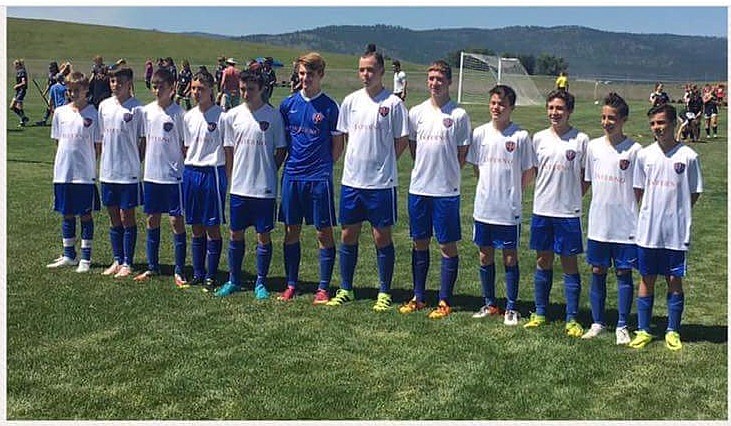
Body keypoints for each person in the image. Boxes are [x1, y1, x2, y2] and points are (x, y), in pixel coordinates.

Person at [327, 45, 409, 310]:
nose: (365, 74)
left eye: (370, 70)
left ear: (381, 71)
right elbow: (343, 136)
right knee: (347, 235)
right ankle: (346, 288)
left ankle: (384, 292)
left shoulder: (393, 103)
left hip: (381, 184)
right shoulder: (350, 101)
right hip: (352, 181)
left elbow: (401, 140)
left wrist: (384, 164)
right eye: (362, 70)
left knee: (381, 237)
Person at [399, 60, 470, 319]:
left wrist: (446, 173)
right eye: (431, 78)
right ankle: (418, 296)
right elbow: (414, 148)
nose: (434, 83)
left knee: (447, 245)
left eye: (439, 78)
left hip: (446, 191)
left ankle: (444, 300)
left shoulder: (458, 115)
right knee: (419, 242)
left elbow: (462, 154)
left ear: (449, 82)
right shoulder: (416, 112)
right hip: (419, 188)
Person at [629, 103, 703, 351]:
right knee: (646, 278)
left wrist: (677, 212)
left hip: (676, 231)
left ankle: (672, 330)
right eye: (653, 124)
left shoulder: (689, 156)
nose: (656, 128)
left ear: (673, 124)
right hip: (648, 230)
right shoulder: (644, 155)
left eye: (661, 123)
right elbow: (638, 190)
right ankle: (643, 329)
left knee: (674, 278)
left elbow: (694, 193)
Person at [277, 52, 344, 303]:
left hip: (318, 179)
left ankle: (323, 287)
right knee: (290, 231)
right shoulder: (288, 105)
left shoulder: (329, 106)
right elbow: (283, 143)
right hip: (292, 176)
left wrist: (324, 167)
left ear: (321, 75)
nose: (305, 79)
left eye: (310, 74)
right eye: (302, 74)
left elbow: (338, 145)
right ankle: (291, 284)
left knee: (323, 233)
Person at [215, 70, 287, 299]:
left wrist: (268, 169)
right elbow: (228, 150)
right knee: (236, 233)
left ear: (262, 89)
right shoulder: (231, 116)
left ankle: (260, 283)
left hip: (264, 188)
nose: (246, 93)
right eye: (243, 89)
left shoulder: (273, 116)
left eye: (251, 89)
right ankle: (234, 280)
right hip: (239, 187)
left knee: (262, 235)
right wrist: (231, 176)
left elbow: (281, 150)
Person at [466, 85, 534, 325]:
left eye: (502, 104)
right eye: (493, 103)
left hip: (508, 210)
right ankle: (489, 303)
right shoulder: (480, 134)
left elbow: (528, 172)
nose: (496, 108)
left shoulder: (520, 136)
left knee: (510, 258)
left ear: (511, 108)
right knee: (485, 256)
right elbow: (476, 167)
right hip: (484, 207)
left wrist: (513, 192)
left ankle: (512, 307)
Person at [524, 89, 589, 337]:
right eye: (551, 108)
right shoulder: (538, 138)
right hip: (543, 209)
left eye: (560, 108)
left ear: (569, 111)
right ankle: (540, 312)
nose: (555, 113)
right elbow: (533, 171)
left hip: (568, 213)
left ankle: (572, 318)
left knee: (569, 263)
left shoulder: (580, 140)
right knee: (543, 260)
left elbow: (586, 177)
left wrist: (572, 197)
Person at [581, 93, 641, 344]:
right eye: (604, 117)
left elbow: (639, 189)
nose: (606, 122)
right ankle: (597, 322)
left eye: (612, 118)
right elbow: (587, 181)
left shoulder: (635, 150)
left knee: (624, 272)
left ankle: (622, 325)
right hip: (599, 222)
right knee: (598, 270)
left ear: (623, 120)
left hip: (626, 223)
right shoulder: (593, 147)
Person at [133, 68, 188, 287]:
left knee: (176, 221)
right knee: (151, 219)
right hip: (152, 175)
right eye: (154, 87)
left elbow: (185, 146)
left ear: (172, 88)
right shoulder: (146, 112)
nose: (157, 91)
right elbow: (143, 142)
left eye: (161, 87)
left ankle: (179, 270)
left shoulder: (180, 114)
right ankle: (152, 266)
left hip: (174, 177)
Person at [180, 69, 230, 292]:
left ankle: (211, 275)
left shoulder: (222, 116)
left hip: (212, 173)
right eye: (193, 88)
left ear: (211, 90)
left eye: (201, 88)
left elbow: (229, 150)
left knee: (212, 225)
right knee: (196, 226)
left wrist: (225, 176)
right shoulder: (188, 116)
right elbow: (186, 147)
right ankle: (198, 272)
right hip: (192, 172)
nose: (196, 92)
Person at [45, 71, 100, 273]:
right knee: (66, 213)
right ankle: (69, 255)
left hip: (84, 174)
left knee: (85, 214)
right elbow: (58, 142)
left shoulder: (94, 114)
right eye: (70, 90)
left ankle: (85, 257)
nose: (73, 93)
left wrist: (90, 166)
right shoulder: (60, 112)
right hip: (63, 172)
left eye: (77, 90)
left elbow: (97, 146)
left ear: (86, 90)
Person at [97, 66, 145, 279]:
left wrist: (136, 160)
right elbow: (101, 136)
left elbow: (143, 140)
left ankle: (128, 262)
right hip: (108, 170)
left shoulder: (137, 109)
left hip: (129, 173)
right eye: (113, 82)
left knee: (128, 217)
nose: (115, 85)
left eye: (120, 82)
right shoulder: (104, 106)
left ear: (129, 84)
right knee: (113, 217)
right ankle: (117, 259)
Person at [36, 61, 60, 126]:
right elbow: (48, 85)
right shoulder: (50, 75)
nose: (49, 69)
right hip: (51, 93)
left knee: (56, 107)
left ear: (55, 68)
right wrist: (45, 92)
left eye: (51, 68)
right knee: (49, 106)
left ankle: (58, 120)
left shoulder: (59, 75)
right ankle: (44, 120)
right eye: (49, 68)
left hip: (57, 93)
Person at [11, 59, 30, 127]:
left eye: (15, 65)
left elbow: (24, 83)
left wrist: (17, 85)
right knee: (12, 107)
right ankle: (24, 118)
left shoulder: (22, 72)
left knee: (18, 106)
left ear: (18, 65)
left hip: (21, 91)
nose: (14, 66)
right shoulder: (19, 71)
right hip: (18, 91)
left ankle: (22, 120)